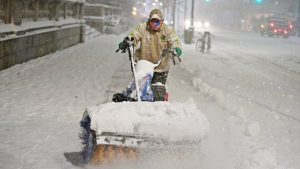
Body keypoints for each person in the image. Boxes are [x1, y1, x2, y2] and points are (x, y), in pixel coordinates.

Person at [115, 8, 182, 102]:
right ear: (149, 21)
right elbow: (134, 35)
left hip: (160, 67)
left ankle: (157, 109)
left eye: (157, 22)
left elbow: (174, 40)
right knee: (139, 91)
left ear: (162, 21)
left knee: (157, 92)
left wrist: (176, 48)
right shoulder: (142, 27)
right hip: (144, 66)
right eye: (152, 22)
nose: (155, 24)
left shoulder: (168, 30)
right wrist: (128, 41)